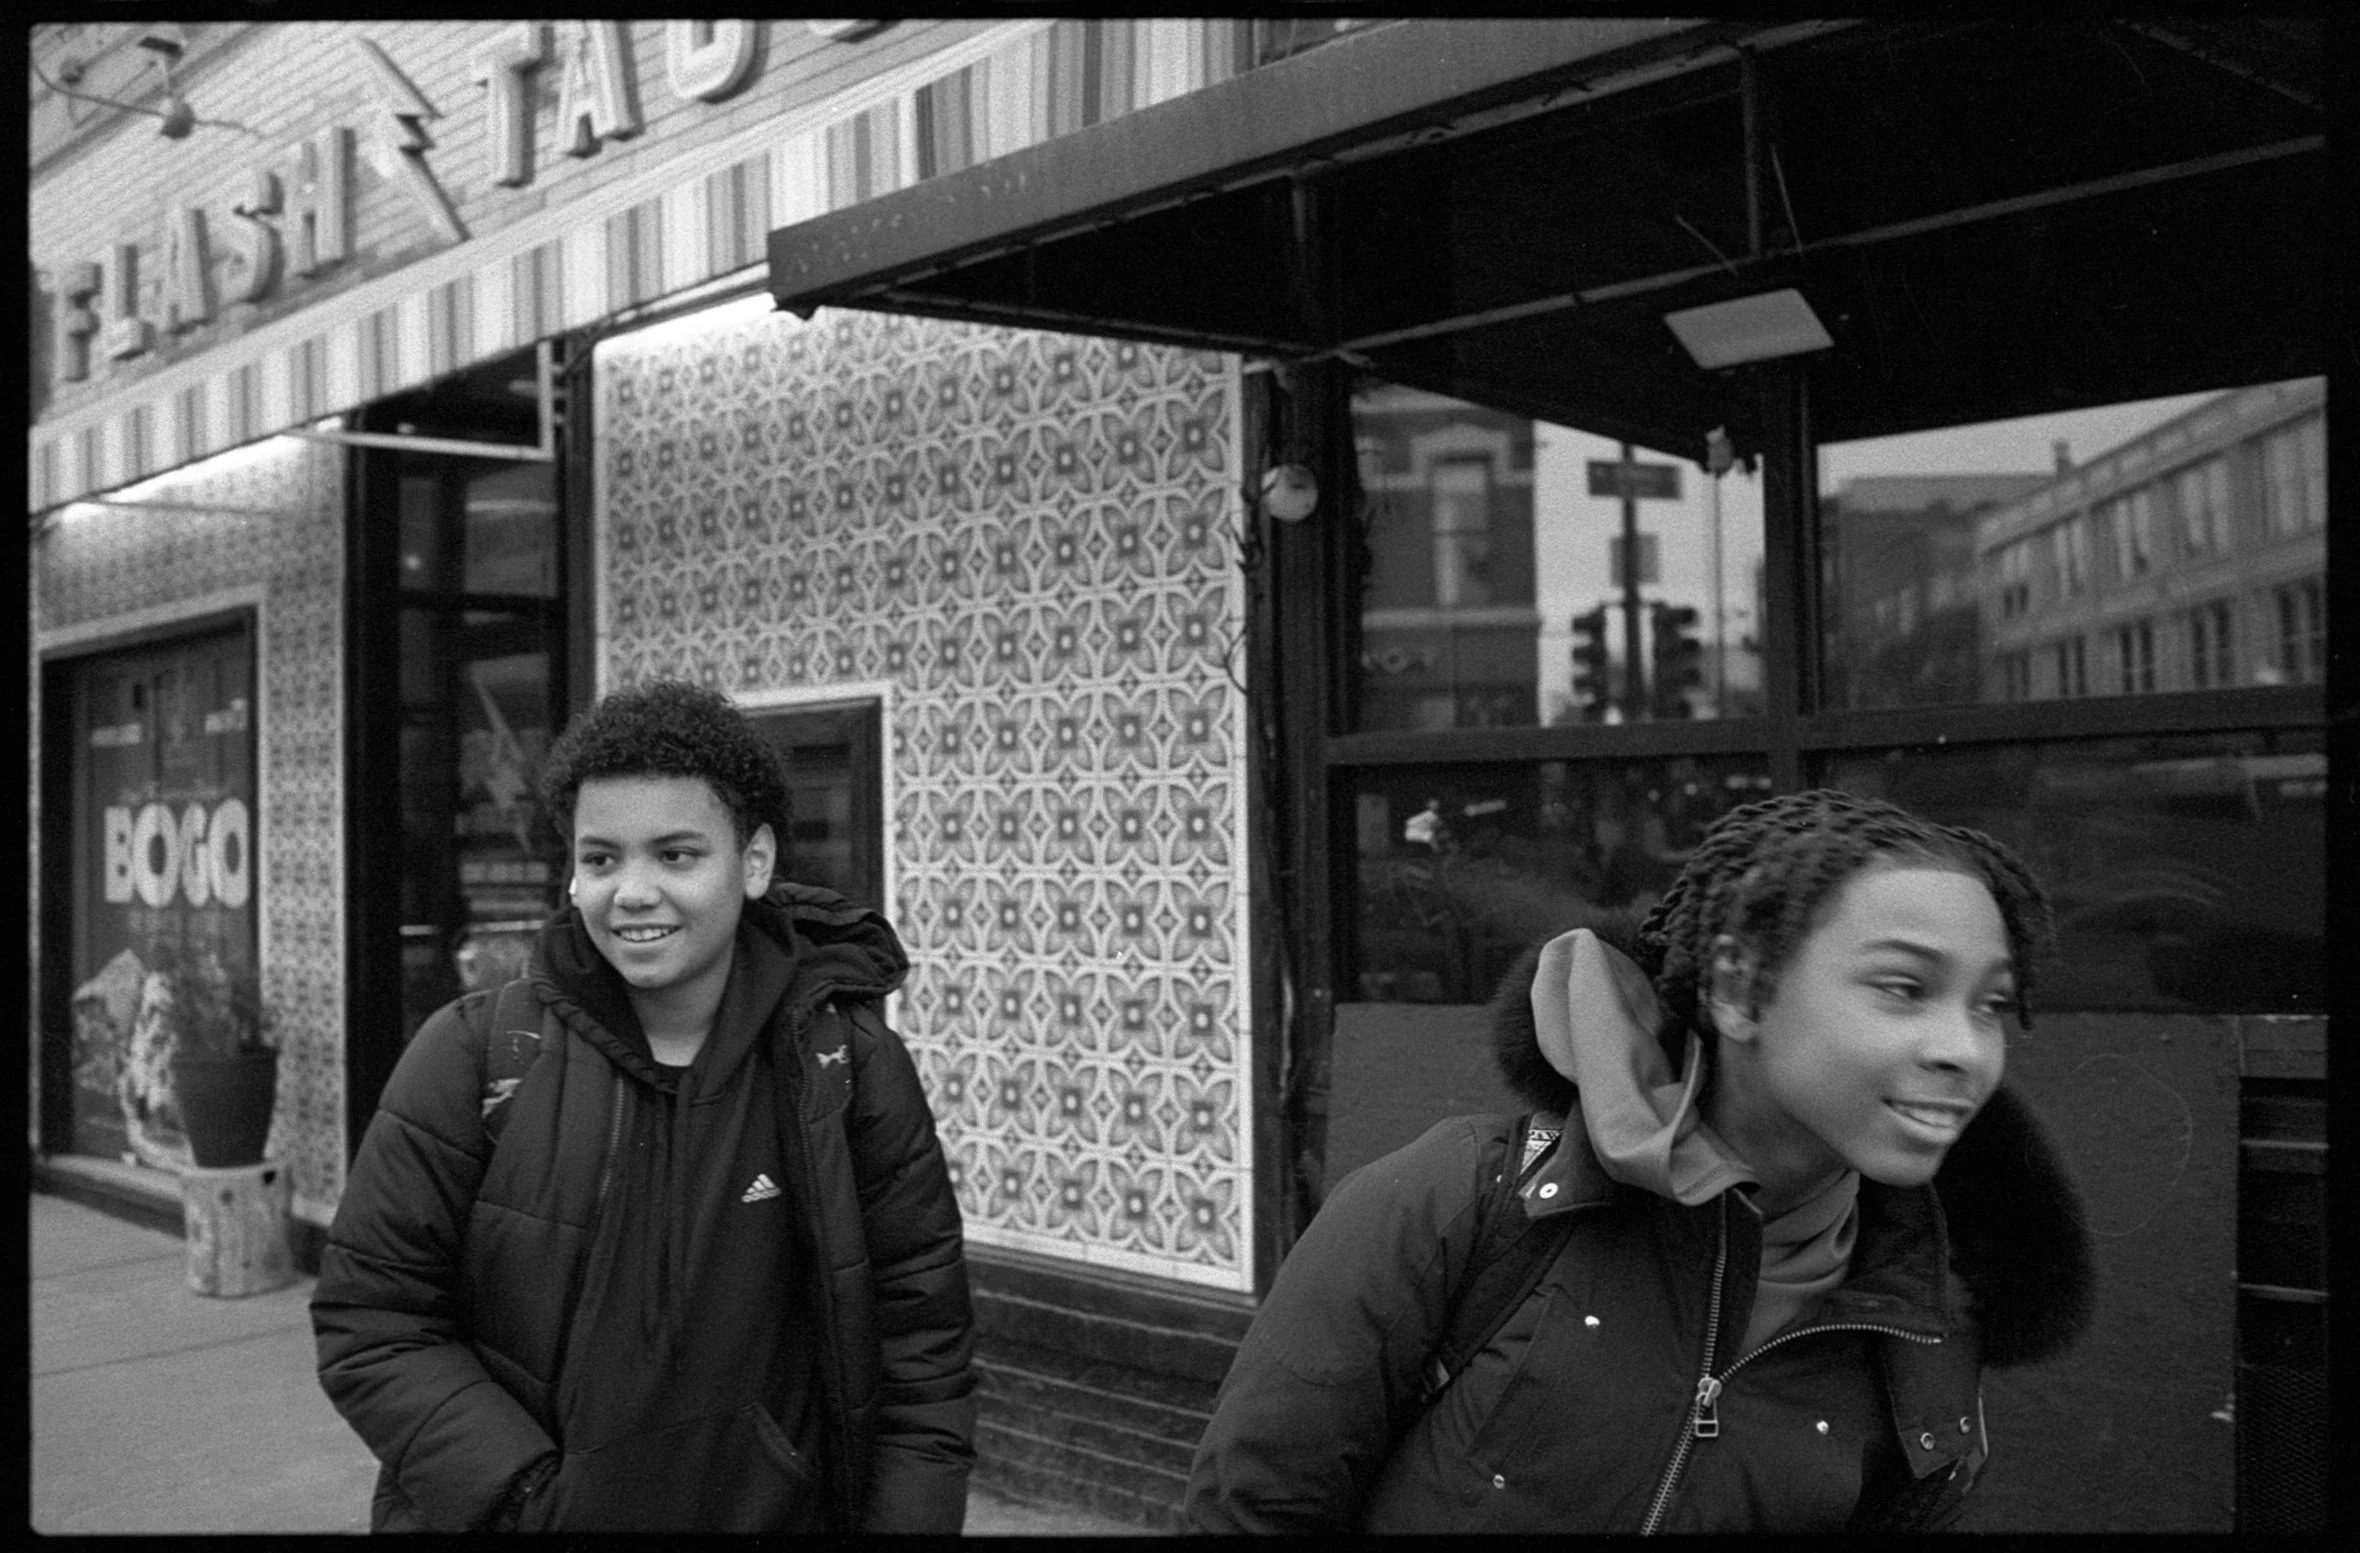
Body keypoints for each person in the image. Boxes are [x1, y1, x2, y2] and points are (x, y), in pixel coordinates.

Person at [1186, 788, 2093, 1533]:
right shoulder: (1458, 1202)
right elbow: (1252, 1508)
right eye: (1903, 986)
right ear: (1739, 986)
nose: (1965, 1049)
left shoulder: (1930, 1328)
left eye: (1990, 1004)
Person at [312, 679, 977, 1533]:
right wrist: (526, 1498)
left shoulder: (847, 1068)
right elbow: (373, 1318)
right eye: (601, 859)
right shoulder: (479, 1053)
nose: (631, 890)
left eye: (676, 855)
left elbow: (924, 1353)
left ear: (755, 861)